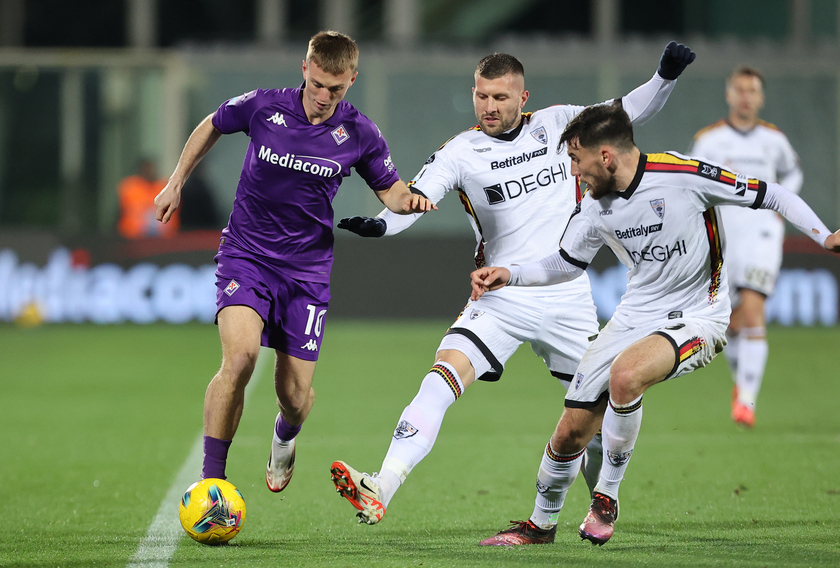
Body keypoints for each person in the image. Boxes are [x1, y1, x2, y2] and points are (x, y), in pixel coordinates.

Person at [329, 42, 696, 542]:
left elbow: (630, 110)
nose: (489, 107)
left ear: (525, 97)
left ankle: (601, 505)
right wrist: (379, 226)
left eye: (500, 97)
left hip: (566, 295)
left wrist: (666, 75)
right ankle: (382, 486)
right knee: (440, 379)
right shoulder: (462, 152)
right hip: (501, 295)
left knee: (591, 419)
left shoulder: (562, 124)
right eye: (481, 96)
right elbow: (417, 198)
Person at [471, 102, 840, 546]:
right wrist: (510, 274)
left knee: (626, 377)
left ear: (605, 156)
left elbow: (773, 193)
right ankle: (540, 525)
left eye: (575, 159)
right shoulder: (593, 207)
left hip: (699, 315)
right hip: (634, 315)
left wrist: (825, 235)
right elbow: (566, 263)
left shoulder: (683, 175)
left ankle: (605, 496)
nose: (573, 172)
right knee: (570, 431)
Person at [153, 31, 434, 494]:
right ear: (305, 68)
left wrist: (410, 203)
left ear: (352, 80)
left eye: (336, 89)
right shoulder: (264, 107)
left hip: (306, 273)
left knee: (295, 397)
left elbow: (392, 190)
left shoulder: (359, 133)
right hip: (247, 255)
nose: (323, 97)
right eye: (317, 83)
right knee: (239, 358)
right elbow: (212, 123)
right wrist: (176, 180)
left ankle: (285, 436)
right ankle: (211, 484)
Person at [689, 67, 803, 428]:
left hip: (761, 235)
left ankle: (747, 403)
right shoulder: (709, 140)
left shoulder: (774, 140)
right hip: (723, 235)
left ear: (760, 97)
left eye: (752, 90)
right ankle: (742, 386)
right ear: (728, 94)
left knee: (753, 312)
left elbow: (793, 172)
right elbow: (692, 179)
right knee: (732, 322)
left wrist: (782, 207)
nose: (745, 96)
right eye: (739, 89)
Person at [118, 158, 178, 238]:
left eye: (151, 169)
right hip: (134, 238)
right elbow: (121, 212)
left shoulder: (165, 187)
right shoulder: (130, 188)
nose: (149, 172)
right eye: (145, 169)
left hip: (164, 239)